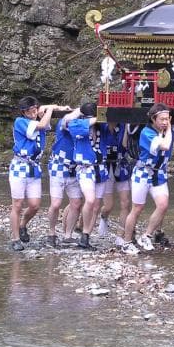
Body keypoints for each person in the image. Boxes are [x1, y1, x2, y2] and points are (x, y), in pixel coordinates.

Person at [8, 96, 69, 251]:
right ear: (23, 112)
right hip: (19, 166)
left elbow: (43, 118)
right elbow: (42, 125)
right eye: (29, 111)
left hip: (34, 167)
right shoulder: (20, 122)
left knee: (35, 205)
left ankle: (22, 225)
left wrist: (57, 107)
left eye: (35, 109)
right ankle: (15, 239)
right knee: (17, 204)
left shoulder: (38, 118)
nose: (33, 112)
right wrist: (50, 109)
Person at [121, 103, 174, 255]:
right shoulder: (147, 133)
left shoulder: (167, 131)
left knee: (163, 205)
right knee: (137, 208)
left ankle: (147, 235)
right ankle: (126, 242)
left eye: (167, 119)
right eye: (162, 119)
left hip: (159, 173)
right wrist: (169, 129)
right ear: (153, 119)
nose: (165, 122)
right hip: (143, 173)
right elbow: (164, 146)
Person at [68, 102, 108, 249]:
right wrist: (97, 118)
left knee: (96, 205)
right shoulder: (75, 124)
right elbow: (77, 127)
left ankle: (86, 237)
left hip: (101, 168)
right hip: (84, 168)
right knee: (90, 200)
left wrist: (105, 117)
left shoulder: (102, 126)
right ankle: (79, 233)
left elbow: (113, 130)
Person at [46, 108, 82, 248]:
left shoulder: (83, 127)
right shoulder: (64, 122)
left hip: (74, 168)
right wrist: (79, 111)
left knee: (76, 203)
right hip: (58, 166)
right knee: (55, 204)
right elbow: (67, 120)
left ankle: (68, 235)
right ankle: (51, 232)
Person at [96, 122, 131, 242]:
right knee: (108, 206)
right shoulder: (101, 125)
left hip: (121, 165)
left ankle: (120, 234)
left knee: (125, 203)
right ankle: (103, 217)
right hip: (105, 166)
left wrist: (127, 128)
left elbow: (126, 144)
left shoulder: (125, 125)